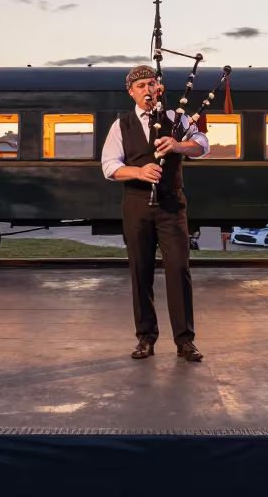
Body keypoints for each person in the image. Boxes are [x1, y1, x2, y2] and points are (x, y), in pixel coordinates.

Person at [101, 65, 209, 361]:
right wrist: (137, 170)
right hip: (136, 205)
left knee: (178, 270)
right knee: (141, 271)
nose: (147, 90)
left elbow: (202, 146)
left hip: (172, 205)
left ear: (159, 88)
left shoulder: (177, 119)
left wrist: (178, 145)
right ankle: (146, 338)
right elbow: (109, 165)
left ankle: (185, 341)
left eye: (152, 84)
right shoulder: (121, 124)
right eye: (141, 86)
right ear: (131, 92)